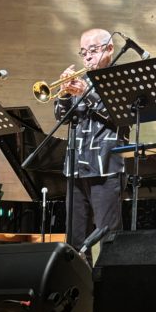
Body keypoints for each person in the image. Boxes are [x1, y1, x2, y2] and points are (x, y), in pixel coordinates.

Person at [54, 29, 129, 259]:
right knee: (75, 242)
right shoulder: (82, 81)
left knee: (109, 237)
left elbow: (120, 115)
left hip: (105, 166)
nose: (87, 56)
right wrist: (64, 93)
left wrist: (87, 93)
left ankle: (110, 280)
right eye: (83, 52)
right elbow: (61, 117)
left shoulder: (121, 78)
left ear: (110, 49)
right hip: (76, 167)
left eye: (93, 50)